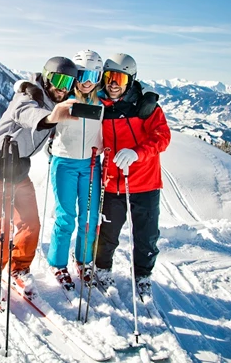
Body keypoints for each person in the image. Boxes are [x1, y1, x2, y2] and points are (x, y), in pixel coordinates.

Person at [0, 56, 79, 301]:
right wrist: (51, 118)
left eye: (69, 82)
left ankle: (19, 268)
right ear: (46, 77)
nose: (63, 87)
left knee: (30, 224)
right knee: (0, 231)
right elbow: (28, 114)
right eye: (58, 79)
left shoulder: (54, 98)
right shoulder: (29, 98)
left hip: (19, 167)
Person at [94, 53, 171, 297]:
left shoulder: (145, 106)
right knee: (108, 232)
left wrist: (138, 153)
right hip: (113, 182)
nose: (113, 83)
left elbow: (162, 137)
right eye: (109, 77)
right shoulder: (98, 104)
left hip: (145, 181)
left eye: (119, 78)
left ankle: (143, 275)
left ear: (130, 80)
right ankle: (103, 269)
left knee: (146, 235)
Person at [46, 50, 104, 291]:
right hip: (65, 162)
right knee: (66, 217)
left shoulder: (103, 101)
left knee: (89, 218)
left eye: (93, 74)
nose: (87, 81)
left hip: (91, 163)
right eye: (82, 74)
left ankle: (83, 260)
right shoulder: (62, 98)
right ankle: (57, 263)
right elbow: (40, 99)